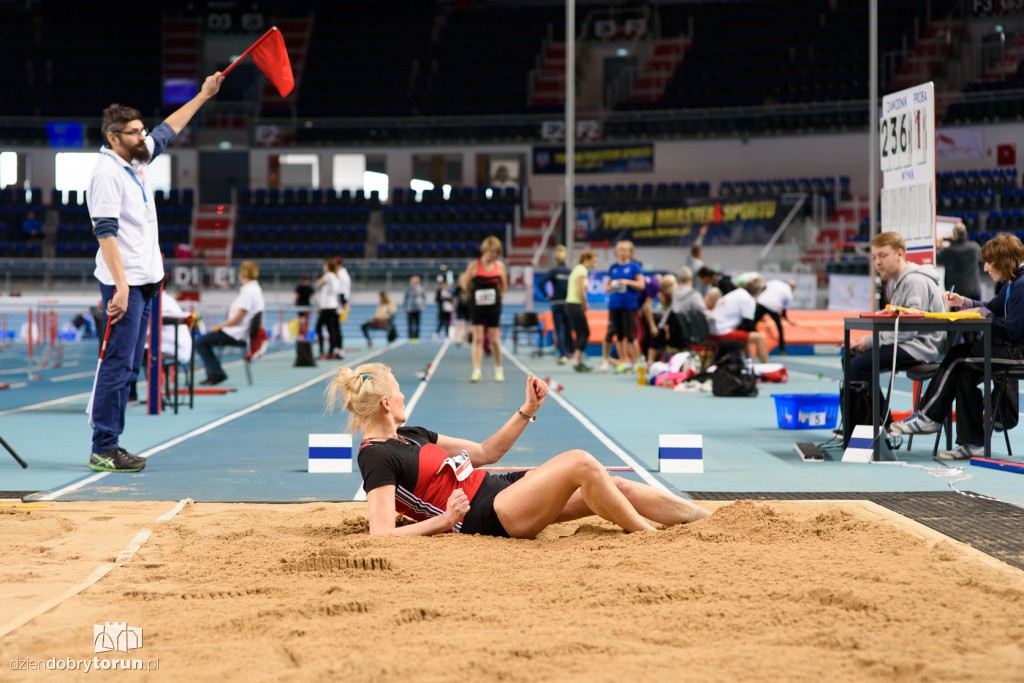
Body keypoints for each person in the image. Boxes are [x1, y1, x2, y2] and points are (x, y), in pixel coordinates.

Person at [328, 363, 712, 537]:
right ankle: (652, 539)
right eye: (397, 389)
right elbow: (380, 534)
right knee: (579, 461)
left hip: (499, 488)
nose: (402, 394)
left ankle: (706, 519)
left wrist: (526, 410)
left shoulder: (412, 433)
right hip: (486, 515)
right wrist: (444, 521)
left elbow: (486, 452)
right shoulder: (376, 455)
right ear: (384, 404)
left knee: (613, 487)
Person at [85, 70, 223, 473]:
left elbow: (169, 128)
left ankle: (110, 442)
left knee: (130, 365)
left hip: (147, 284)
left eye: (141, 130)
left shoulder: (137, 161)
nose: (142, 137)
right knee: (117, 364)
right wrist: (122, 288)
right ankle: (103, 446)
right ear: (113, 137)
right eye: (133, 132)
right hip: (123, 286)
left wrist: (203, 95)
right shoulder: (106, 174)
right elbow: (105, 235)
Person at [890, 233, 1024, 459]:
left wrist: (986, 317)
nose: (985, 269)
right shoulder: (1012, 283)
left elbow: (1011, 330)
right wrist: (964, 302)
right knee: (962, 368)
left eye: (989, 263)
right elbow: (991, 306)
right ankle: (973, 443)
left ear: (1004, 260)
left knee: (958, 357)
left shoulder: (1021, 286)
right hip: (1011, 348)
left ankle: (929, 416)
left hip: (1018, 353)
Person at [847, 232, 946, 383]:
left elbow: (908, 329)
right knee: (849, 359)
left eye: (883, 255)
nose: (878, 262)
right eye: (874, 257)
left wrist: (869, 341)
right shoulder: (896, 283)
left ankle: (875, 408)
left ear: (899, 253)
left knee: (858, 365)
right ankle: (868, 407)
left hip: (920, 347)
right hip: (907, 342)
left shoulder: (914, 281)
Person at [194, 261, 265, 385]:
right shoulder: (255, 289)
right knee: (205, 340)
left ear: (243, 273)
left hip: (236, 333)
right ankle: (215, 372)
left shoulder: (248, 291)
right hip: (239, 332)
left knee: (200, 342)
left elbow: (239, 317)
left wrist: (221, 326)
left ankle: (216, 373)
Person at [461, 236, 509, 382]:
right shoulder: (474, 266)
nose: (494, 255)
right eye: (492, 252)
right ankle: (476, 370)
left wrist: (498, 296)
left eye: (497, 253)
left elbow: (504, 285)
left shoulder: (500, 266)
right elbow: (465, 283)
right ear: (486, 250)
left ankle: (499, 368)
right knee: (478, 338)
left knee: (494, 339)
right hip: (477, 306)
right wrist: (473, 293)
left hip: (494, 306)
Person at [603, 240, 645, 373]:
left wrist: (627, 281)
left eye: (625, 250)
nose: (623, 252)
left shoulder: (634, 267)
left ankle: (637, 362)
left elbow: (641, 285)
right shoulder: (613, 267)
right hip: (615, 305)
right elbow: (607, 287)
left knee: (630, 335)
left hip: (629, 305)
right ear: (617, 252)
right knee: (619, 336)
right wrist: (614, 285)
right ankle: (623, 361)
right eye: (620, 249)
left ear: (630, 252)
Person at [708, 276, 770, 364]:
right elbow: (749, 325)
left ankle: (750, 366)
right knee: (760, 337)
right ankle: (766, 368)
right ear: (758, 292)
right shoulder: (748, 299)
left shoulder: (738, 293)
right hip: (721, 332)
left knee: (749, 337)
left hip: (714, 329)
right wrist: (756, 333)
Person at [566, 250, 597, 372]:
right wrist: (585, 303)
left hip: (571, 304)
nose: (595, 263)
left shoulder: (577, 269)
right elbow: (580, 290)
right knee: (585, 332)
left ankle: (578, 361)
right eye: (594, 260)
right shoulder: (581, 270)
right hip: (575, 304)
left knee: (580, 333)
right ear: (587, 259)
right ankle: (576, 360)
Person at [936, 221, 982, 301]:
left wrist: (940, 243)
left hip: (957, 294)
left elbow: (937, 259)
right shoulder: (974, 247)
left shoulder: (950, 251)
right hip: (974, 291)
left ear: (954, 235)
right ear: (966, 233)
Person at [541, 245, 572, 363]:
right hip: (568, 303)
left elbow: (540, 283)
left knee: (560, 329)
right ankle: (570, 351)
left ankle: (563, 353)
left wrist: (547, 295)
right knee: (568, 328)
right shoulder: (570, 271)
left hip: (557, 303)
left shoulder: (554, 271)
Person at [755, 279, 796, 354]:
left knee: (752, 324)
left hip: (762, 303)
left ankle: (744, 345)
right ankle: (782, 350)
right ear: (793, 288)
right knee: (780, 328)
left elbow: (764, 286)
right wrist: (787, 320)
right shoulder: (789, 294)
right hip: (773, 308)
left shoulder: (776, 282)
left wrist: (761, 296)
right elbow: (784, 312)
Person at [314, 259, 343, 360]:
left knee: (318, 328)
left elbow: (317, 283)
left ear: (328, 267)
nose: (323, 267)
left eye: (324, 266)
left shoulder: (329, 275)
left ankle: (322, 352)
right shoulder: (335, 277)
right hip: (332, 306)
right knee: (331, 330)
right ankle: (331, 351)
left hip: (327, 307)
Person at [403, 275, 426, 342]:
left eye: (416, 281)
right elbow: (405, 299)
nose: (415, 283)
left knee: (417, 324)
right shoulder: (409, 289)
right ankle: (410, 338)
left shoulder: (421, 289)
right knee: (410, 324)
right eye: (414, 281)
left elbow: (424, 298)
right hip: (410, 309)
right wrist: (405, 308)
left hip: (418, 309)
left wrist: (422, 306)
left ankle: (416, 338)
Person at [335, 256, 352, 350]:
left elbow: (342, 291)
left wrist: (345, 304)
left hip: (339, 304)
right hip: (342, 303)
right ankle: (338, 348)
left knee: (335, 327)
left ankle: (338, 348)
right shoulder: (344, 274)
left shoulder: (341, 275)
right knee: (336, 327)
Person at [435, 276, 454, 340]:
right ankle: (437, 333)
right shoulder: (439, 291)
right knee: (441, 322)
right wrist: (443, 297)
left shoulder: (450, 291)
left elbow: (452, 299)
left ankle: (447, 335)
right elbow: (437, 299)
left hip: (448, 310)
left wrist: (449, 298)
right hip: (442, 310)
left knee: (447, 322)